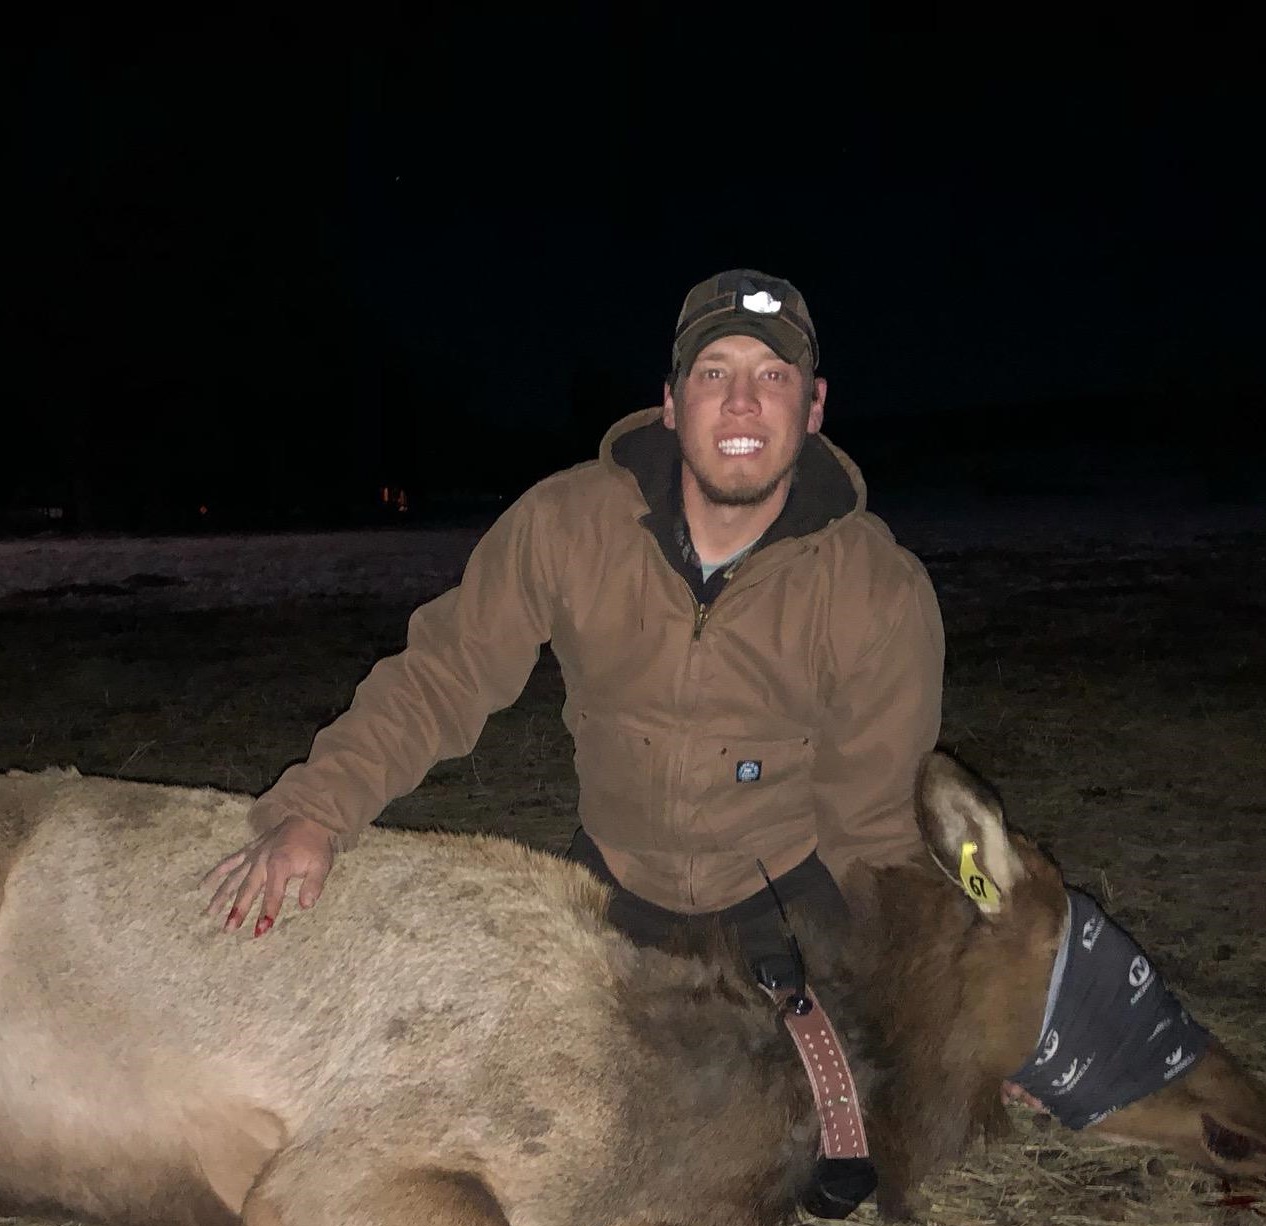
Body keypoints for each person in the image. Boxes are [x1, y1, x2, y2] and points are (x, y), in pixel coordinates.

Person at [203, 268, 945, 979]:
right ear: (671, 400)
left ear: (813, 407)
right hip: (612, 884)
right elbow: (443, 676)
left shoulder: (876, 588)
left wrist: (933, 984)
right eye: (713, 372)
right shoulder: (565, 524)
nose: (742, 401)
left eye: (772, 376)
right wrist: (314, 813)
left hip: (787, 889)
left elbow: (876, 829)